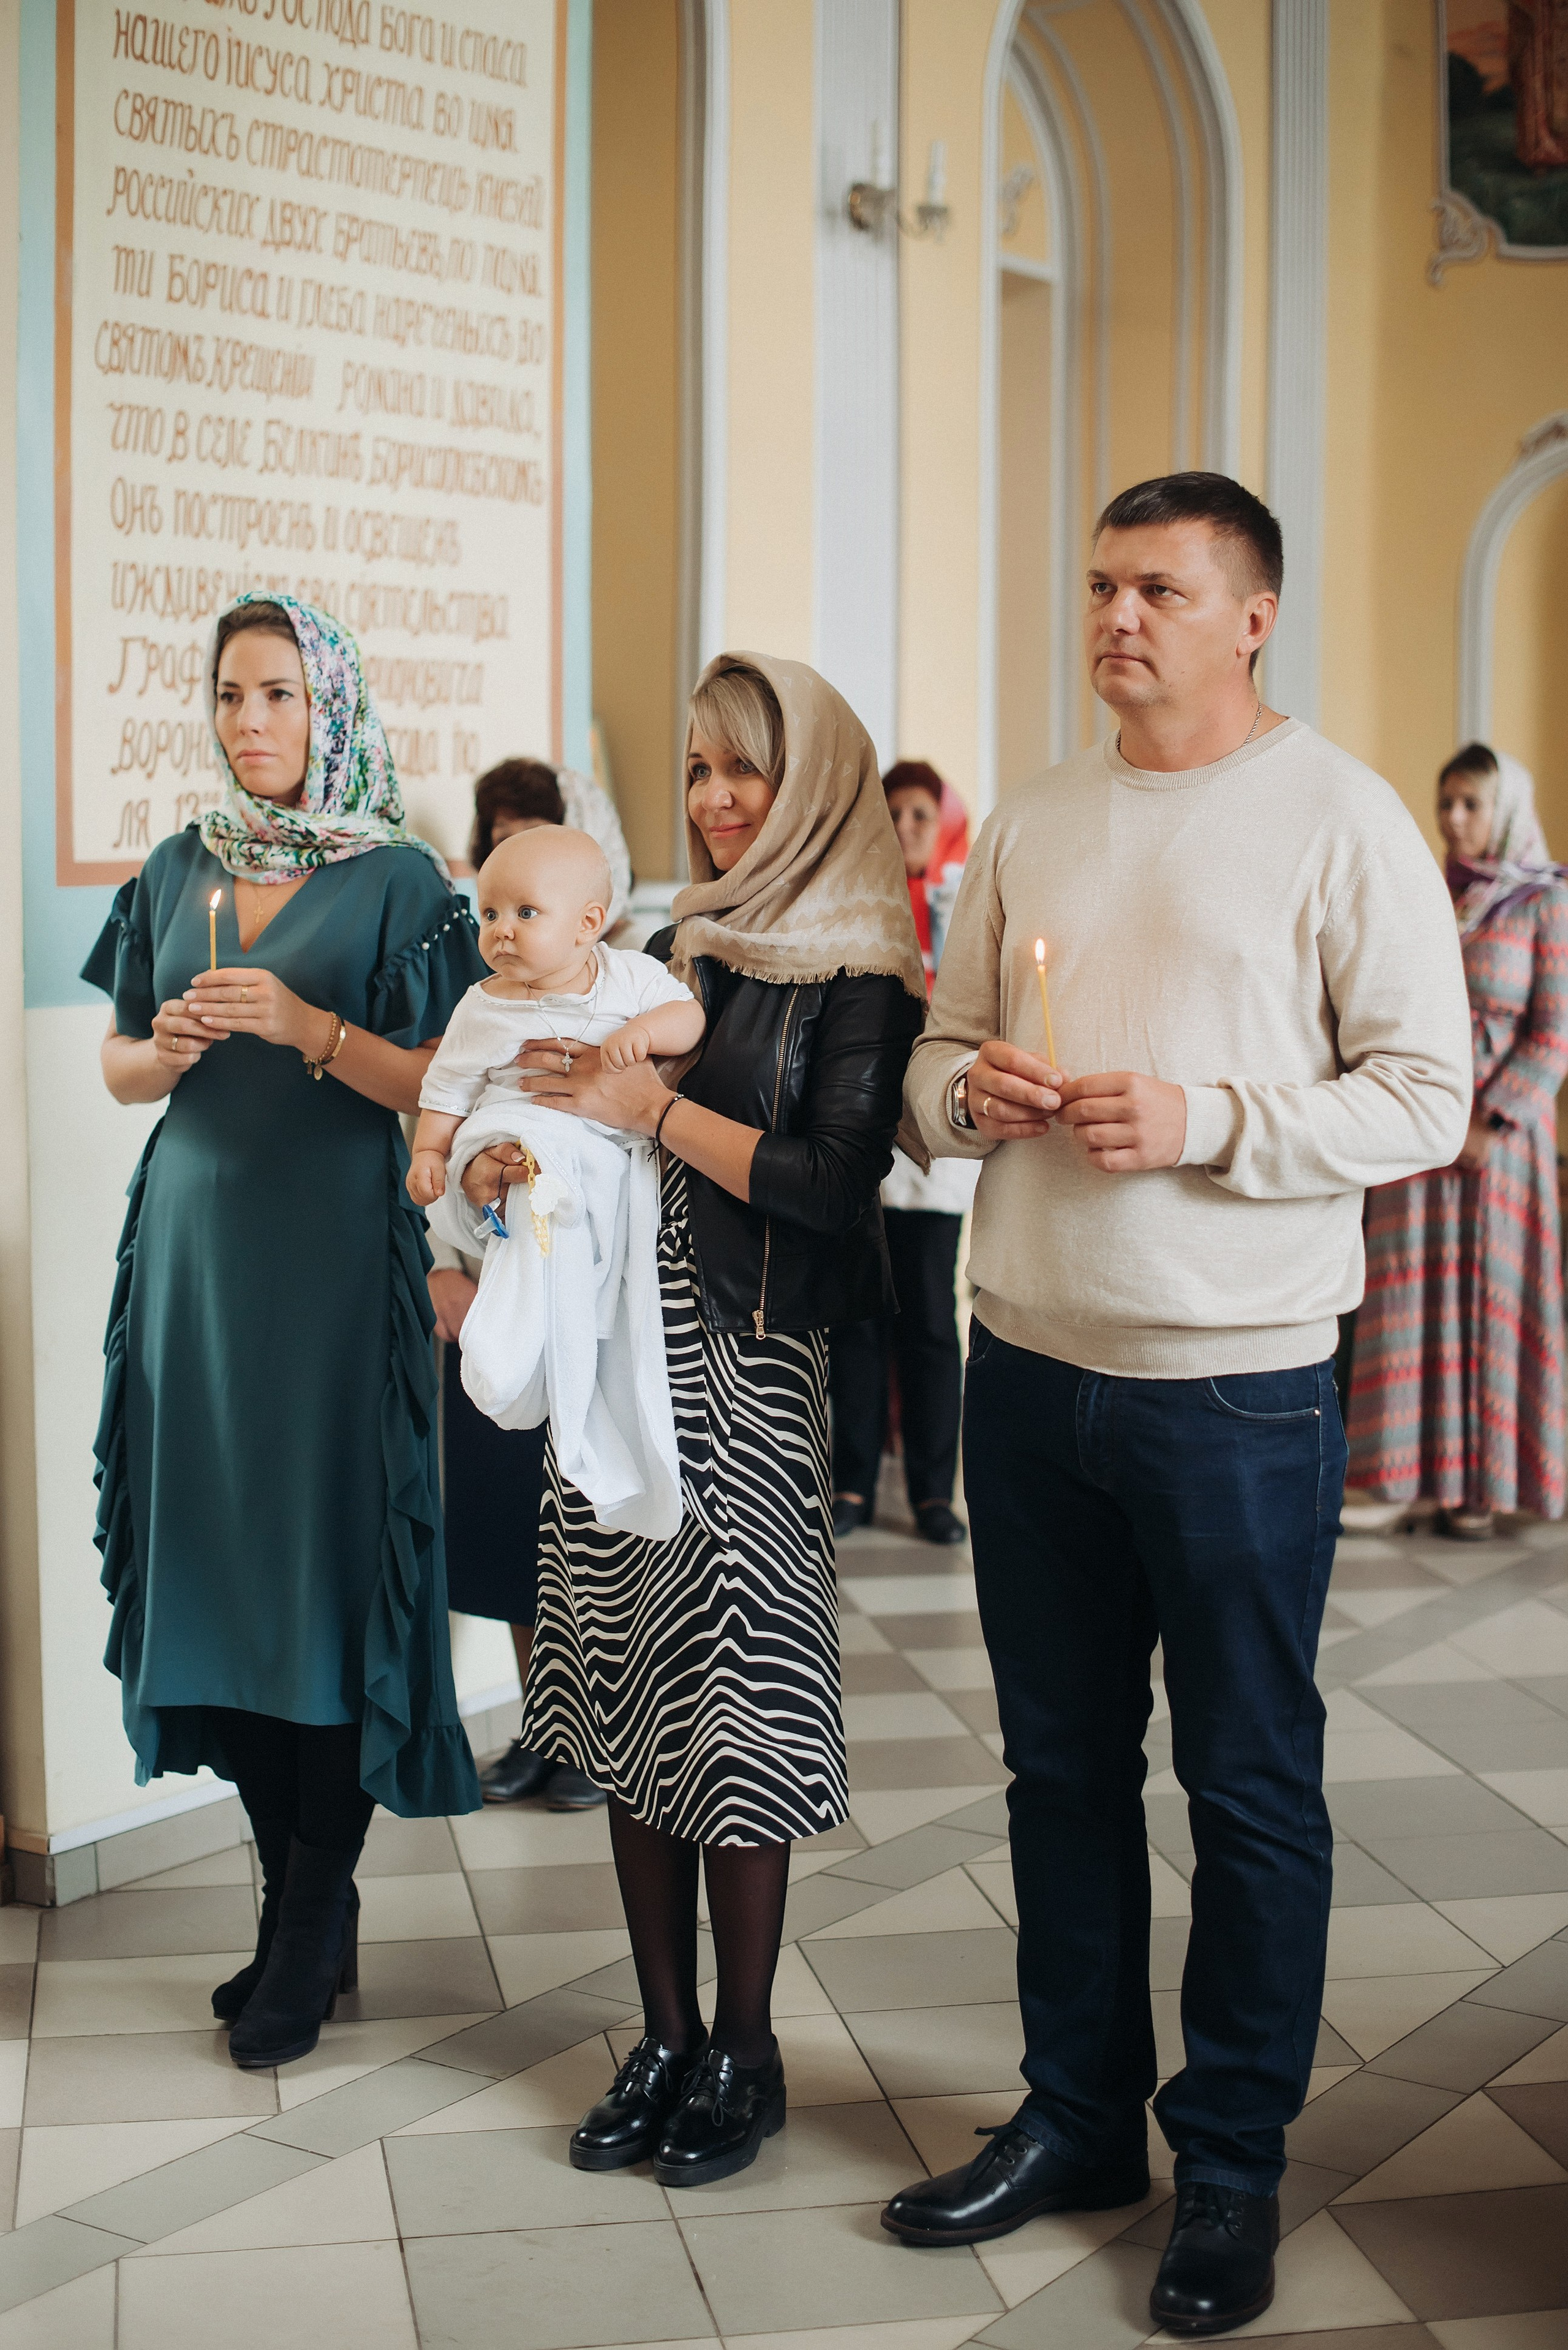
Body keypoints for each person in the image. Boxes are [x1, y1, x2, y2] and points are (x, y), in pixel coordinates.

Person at [884, 472, 1471, 2338]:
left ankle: (1226, 2158)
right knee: (1057, 1773)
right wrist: (954, 1097)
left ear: (1247, 615)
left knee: (1245, 1783)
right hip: (1028, 1365)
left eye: (1156, 587)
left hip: (1233, 1390)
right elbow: (931, 1046)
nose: (1114, 617)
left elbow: (1423, 1095)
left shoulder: (1340, 820)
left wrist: (1208, 1122)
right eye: (1097, 585)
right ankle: (1077, 2122)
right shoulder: (1040, 819)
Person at [461, 653, 925, 2188]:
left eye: (749, 773)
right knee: (616, 1700)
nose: (720, 804)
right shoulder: (666, 945)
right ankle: (659, 2040)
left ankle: (744, 2049)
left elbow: (828, 1183)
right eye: (699, 773)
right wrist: (510, 1149)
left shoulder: (862, 976)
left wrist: (651, 1113)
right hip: (609, 1349)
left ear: (815, 785)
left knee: (732, 1713)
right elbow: (554, 1096)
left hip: (743, 1367)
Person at [85, 590, 487, 2071]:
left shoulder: (399, 876)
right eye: (231, 695)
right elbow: (123, 1068)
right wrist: (167, 1045)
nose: (251, 722)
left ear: (332, 706)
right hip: (194, 1267)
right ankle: (295, 1908)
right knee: (223, 1583)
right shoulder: (178, 863)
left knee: (323, 1587)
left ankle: (313, 1911)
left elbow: (445, 1087)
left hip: (331, 1273)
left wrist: (309, 1033)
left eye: (279, 696)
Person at [435, 756, 634, 1807]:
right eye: (497, 903)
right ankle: (540, 1728)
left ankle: (599, 1739)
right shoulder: (476, 998)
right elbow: (441, 1114)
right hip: (487, 1273)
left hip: (587, 1294)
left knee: (589, 1528)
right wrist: (440, 1257)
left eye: (534, 906)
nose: (512, 927)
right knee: (511, 1531)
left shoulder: (621, 994)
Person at [1344, 746, 1568, 1540]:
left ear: (1503, 807)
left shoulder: (1545, 901)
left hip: (1500, 1145)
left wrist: (1488, 1121)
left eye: (1471, 804)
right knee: (1408, 1296)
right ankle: (1404, 1477)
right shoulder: (1432, 898)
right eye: (1446, 803)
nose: (1454, 820)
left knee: (1484, 1301)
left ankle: (1483, 1484)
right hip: (1419, 1128)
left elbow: (1554, 1033)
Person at [830, 761, 979, 1544]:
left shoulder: (966, 903)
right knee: (857, 1319)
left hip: (940, 1154)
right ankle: (851, 1482)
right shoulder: (860, 908)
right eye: (894, 812)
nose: (907, 827)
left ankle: (930, 1491)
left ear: (945, 819)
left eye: (922, 813)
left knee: (928, 1320)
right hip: (861, 1142)